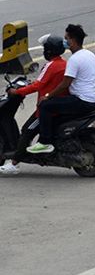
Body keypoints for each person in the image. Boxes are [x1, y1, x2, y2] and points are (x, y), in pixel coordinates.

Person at [27, 25, 95, 155]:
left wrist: (48, 96)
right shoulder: (90, 55)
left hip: (83, 101)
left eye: (66, 38)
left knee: (45, 106)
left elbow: (65, 84)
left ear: (72, 40)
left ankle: (45, 142)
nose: (64, 41)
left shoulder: (74, 59)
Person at [0, 35, 67, 174]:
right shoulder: (63, 63)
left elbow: (38, 85)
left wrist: (17, 91)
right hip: (58, 105)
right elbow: (43, 82)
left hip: (46, 108)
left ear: (49, 51)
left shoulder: (52, 65)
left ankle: (14, 164)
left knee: (27, 131)